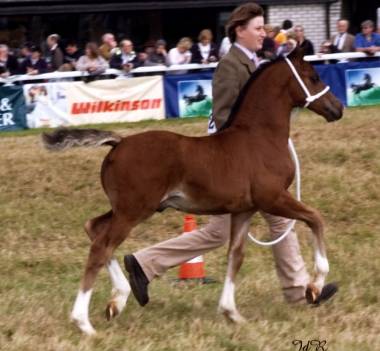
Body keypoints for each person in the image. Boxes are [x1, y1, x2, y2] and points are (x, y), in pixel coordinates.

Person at [124, 2, 337, 308]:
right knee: (224, 231)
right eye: (257, 28)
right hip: (231, 166)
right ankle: (145, 263)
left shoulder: (253, 63)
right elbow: (222, 118)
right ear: (240, 31)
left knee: (274, 221)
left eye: (263, 28)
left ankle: (299, 292)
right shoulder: (230, 66)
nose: (262, 33)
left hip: (253, 163)